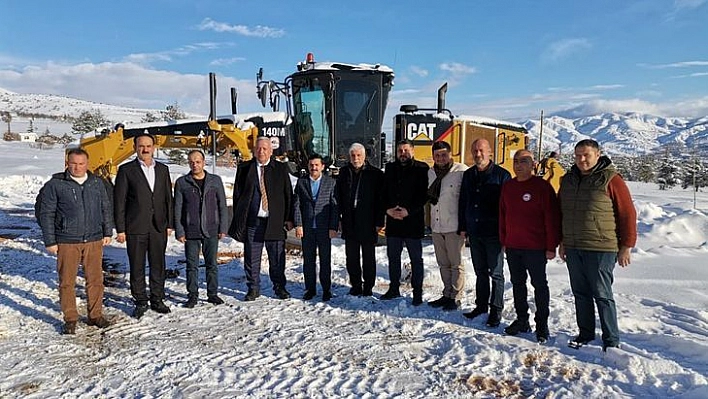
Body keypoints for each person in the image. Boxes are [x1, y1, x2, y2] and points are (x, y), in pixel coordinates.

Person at [559, 139, 637, 351]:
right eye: (577, 155)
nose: (581, 159)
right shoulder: (568, 180)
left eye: (586, 155)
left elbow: (627, 213)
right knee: (580, 292)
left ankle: (611, 340)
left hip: (601, 248)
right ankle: (585, 333)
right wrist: (562, 242)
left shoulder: (611, 179)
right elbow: (561, 212)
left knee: (602, 294)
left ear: (598, 154)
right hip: (574, 246)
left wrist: (627, 245)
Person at [37, 148, 113, 334]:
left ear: (87, 164)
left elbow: (105, 208)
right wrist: (50, 241)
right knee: (67, 281)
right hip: (67, 240)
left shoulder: (97, 183)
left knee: (95, 280)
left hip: (93, 239)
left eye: (81, 164)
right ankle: (70, 318)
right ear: (67, 163)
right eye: (73, 163)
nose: (77, 167)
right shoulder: (55, 185)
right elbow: (46, 213)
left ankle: (95, 315)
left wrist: (107, 231)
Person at [499, 150, 561, 343]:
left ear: (533, 164)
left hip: (536, 248)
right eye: (516, 161)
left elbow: (552, 218)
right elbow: (502, 215)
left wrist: (551, 246)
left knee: (539, 285)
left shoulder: (542, 187)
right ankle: (522, 320)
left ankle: (542, 325)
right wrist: (504, 241)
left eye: (524, 161)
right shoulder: (508, 187)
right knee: (518, 285)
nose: (519, 165)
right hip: (514, 247)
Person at [114, 133, 174, 319]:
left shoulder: (163, 169)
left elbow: (167, 199)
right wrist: (121, 228)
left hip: (158, 226)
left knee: (158, 264)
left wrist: (170, 223)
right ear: (135, 148)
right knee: (137, 265)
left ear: (154, 147)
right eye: (141, 146)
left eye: (148, 146)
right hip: (135, 226)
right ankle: (140, 300)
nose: (145, 149)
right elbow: (119, 202)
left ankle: (157, 298)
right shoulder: (126, 170)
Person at [229, 137, 293, 301]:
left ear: (271, 151)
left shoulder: (280, 168)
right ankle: (253, 288)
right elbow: (238, 195)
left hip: (275, 222)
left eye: (265, 149)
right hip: (253, 222)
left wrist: (288, 218)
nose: (261, 152)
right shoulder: (245, 169)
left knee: (277, 258)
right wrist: (239, 219)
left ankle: (279, 287)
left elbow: (288, 194)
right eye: (258, 149)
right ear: (254, 151)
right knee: (252, 258)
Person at [458, 138, 511, 327]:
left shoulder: (502, 176)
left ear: (490, 153)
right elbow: (463, 201)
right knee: (480, 271)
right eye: (475, 150)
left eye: (481, 150)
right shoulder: (469, 175)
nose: (477, 154)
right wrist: (463, 227)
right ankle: (481, 306)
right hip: (475, 231)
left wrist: (507, 232)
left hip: (494, 233)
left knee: (496, 273)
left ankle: (496, 310)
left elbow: (508, 208)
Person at [174, 150, 229, 308]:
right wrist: (180, 230)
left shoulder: (215, 181)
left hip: (211, 229)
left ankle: (212, 294)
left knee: (211, 264)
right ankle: (192, 295)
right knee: (192, 266)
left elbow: (222, 206)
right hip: (191, 231)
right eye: (191, 162)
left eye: (198, 161)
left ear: (204, 162)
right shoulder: (182, 182)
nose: (195, 165)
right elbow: (178, 208)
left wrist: (223, 227)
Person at [381, 139, 429, 305]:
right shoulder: (390, 168)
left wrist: (408, 211)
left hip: (413, 222)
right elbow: (384, 192)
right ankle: (394, 288)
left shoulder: (422, 169)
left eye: (406, 150)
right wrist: (388, 209)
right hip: (393, 221)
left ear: (413, 151)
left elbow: (423, 195)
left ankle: (417, 293)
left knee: (416, 259)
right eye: (400, 150)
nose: (403, 154)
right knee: (393, 257)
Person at [335, 143, 384, 297]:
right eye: (353, 156)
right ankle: (356, 285)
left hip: (368, 222)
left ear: (364, 156)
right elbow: (338, 197)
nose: (356, 158)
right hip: (349, 221)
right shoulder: (343, 173)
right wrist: (339, 219)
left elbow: (380, 199)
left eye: (359, 155)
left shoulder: (375, 174)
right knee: (352, 257)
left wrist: (379, 222)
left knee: (368, 257)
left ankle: (368, 286)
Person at [426, 141, 468, 311]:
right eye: (437, 155)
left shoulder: (461, 171)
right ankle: (446, 293)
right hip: (437, 225)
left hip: (454, 226)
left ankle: (456, 296)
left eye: (444, 155)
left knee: (456, 263)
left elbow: (466, 199)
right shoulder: (430, 173)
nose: (441, 158)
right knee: (443, 263)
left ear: (450, 154)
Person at [293, 154, 339, 301]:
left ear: (322, 167)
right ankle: (310, 289)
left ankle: (326, 290)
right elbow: (297, 205)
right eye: (311, 165)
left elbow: (334, 206)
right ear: (308, 166)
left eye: (316, 165)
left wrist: (333, 226)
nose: (314, 168)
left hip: (324, 228)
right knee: (308, 260)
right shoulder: (301, 183)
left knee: (325, 260)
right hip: (307, 228)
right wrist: (298, 224)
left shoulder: (330, 183)